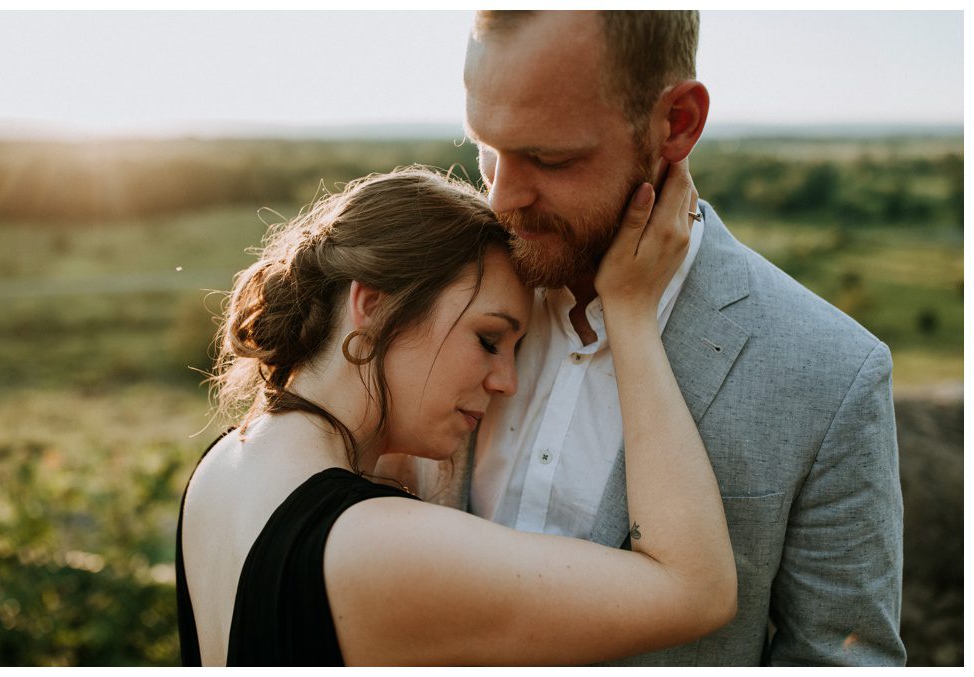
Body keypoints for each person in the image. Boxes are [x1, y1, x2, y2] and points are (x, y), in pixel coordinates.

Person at [461, 11, 902, 665]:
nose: (500, 199)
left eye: (548, 157)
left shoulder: (834, 374)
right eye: (486, 148)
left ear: (678, 122)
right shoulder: (440, 285)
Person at [177, 165, 727, 665]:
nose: (506, 382)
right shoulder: (374, 545)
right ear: (372, 305)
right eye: (489, 340)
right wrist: (630, 311)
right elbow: (693, 591)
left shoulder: (223, 464)